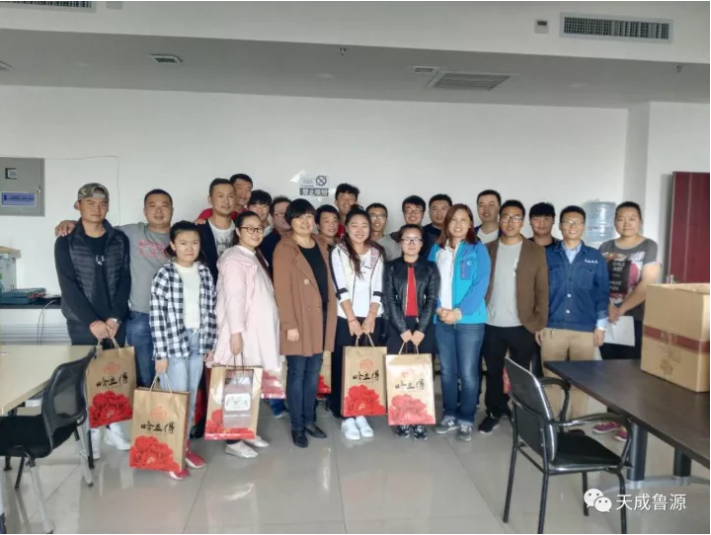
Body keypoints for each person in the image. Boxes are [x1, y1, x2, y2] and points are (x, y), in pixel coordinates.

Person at [54, 189, 174, 390]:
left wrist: (115, 318)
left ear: (172, 209)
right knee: (138, 378)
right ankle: (140, 410)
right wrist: (71, 223)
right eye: (153, 206)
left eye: (164, 206)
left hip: (174, 318)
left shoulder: (183, 235)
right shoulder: (129, 233)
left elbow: (123, 278)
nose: (159, 211)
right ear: (144, 211)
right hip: (140, 316)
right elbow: (94, 226)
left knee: (175, 377)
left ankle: (169, 410)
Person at [54, 183, 132, 457]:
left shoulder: (119, 239)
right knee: (88, 379)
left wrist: (115, 318)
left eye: (102, 204)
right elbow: (68, 285)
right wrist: (92, 322)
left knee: (113, 377)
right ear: (78, 206)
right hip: (82, 323)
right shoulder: (66, 240)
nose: (97, 209)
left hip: (114, 323)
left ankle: (114, 428)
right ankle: (92, 434)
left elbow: (125, 279)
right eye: (90, 203)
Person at [209, 211, 283, 458]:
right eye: (249, 228)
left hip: (256, 334)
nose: (255, 232)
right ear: (238, 231)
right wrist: (236, 333)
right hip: (243, 334)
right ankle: (233, 441)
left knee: (251, 384)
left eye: (259, 228)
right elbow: (235, 298)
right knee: (238, 386)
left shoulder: (252, 256)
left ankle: (246, 430)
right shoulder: (234, 259)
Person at [150, 221, 217, 480]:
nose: (190, 248)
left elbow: (211, 310)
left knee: (190, 398)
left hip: (198, 341)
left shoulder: (204, 272)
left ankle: (183, 447)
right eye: (184, 243)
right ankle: (171, 455)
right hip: (173, 343)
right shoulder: (165, 274)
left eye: (195, 243)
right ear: (173, 245)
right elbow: (157, 317)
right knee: (176, 399)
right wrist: (161, 354)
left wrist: (210, 344)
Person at [479, 200, 548, 435]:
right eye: (506, 217)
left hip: (523, 324)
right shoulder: (487, 249)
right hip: (491, 323)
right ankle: (494, 411)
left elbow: (542, 290)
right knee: (493, 372)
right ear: (499, 220)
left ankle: (521, 413)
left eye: (516, 217)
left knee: (522, 375)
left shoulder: (535, 251)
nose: (510, 222)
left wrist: (539, 323)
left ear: (523, 221)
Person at [273, 199, 337, 448]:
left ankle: (310, 420)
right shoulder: (284, 249)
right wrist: (289, 324)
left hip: (321, 317)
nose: (304, 221)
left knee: (313, 373)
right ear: (290, 221)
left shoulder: (320, 244)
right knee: (297, 373)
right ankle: (297, 426)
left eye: (308, 216)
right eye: (298, 217)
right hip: (298, 320)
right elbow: (282, 290)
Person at [594, 201, 660, 441]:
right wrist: (607, 306)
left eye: (632, 218)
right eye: (621, 218)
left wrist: (621, 308)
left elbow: (646, 283)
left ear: (640, 220)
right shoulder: (605, 247)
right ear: (615, 221)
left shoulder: (648, 246)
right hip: (607, 315)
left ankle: (629, 422)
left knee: (631, 370)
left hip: (633, 316)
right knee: (609, 369)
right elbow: (597, 280)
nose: (626, 223)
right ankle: (612, 416)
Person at [537, 205, 609, 420]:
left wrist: (601, 326)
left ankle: (576, 423)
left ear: (584, 226)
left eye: (577, 222)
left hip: (585, 329)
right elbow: (539, 291)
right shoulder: (546, 255)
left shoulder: (595, 257)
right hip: (552, 328)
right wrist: (539, 323)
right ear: (560, 226)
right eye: (568, 222)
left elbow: (602, 293)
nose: (572, 226)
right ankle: (552, 424)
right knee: (552, 381)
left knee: (581, 382)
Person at [428, 204, 490, 442]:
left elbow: (480, 284)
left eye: (464, 220)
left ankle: (466, 418)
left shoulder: (478, 249)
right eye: (453, 219)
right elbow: (429, 281)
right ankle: (449, 414)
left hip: (469, 321)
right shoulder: (437, 249)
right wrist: (437, 308)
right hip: (441, 319)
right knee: (447, 371)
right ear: (447, 223)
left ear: (470, 224)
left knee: (468, 373)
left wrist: (459, 312)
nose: (458, 224)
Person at [330, 208, 386, 441]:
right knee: (344, 366)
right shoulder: (339, 252)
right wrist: (352, 319)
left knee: (365, 367)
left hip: (372, 318)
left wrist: (371, 317)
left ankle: (361, 410)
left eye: (364, 225)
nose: (360, 230)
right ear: (346, 228)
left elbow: (379, 286)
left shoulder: (376, 252)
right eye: (355, 225)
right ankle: (346, 415)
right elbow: (340, 287)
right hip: (346, 318)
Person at [383, 224, 440, 440]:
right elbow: (389, 300)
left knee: (422, 373)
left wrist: (421, 330)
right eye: (407, 239)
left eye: (416, 239)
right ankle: (402, 418)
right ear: (400, 243)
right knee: (400, 373)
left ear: (422, 243)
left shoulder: (430, 267)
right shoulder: (390, 267)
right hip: (397, 326)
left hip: (423, 326)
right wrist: (403, 330)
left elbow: (432, 300)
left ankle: (419, 418)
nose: (411, 243)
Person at [196, 178, 237, 283]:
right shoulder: (197, 231)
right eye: (220, 196)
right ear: (210, 199)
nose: (226, 201)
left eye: (230, 196)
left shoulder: (242, 229)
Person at [390, 196, 435, 260]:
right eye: (408, 211)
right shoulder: (393, 238)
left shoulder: (433, 240)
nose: (412, 214)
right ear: (403, 213)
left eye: (417, 210)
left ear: (423, 214)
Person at [260, 196, 291, 272]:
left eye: (289, 212)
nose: (286, 216)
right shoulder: (265, 243)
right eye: (281, 213)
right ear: (272, 217)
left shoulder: (305, 239)